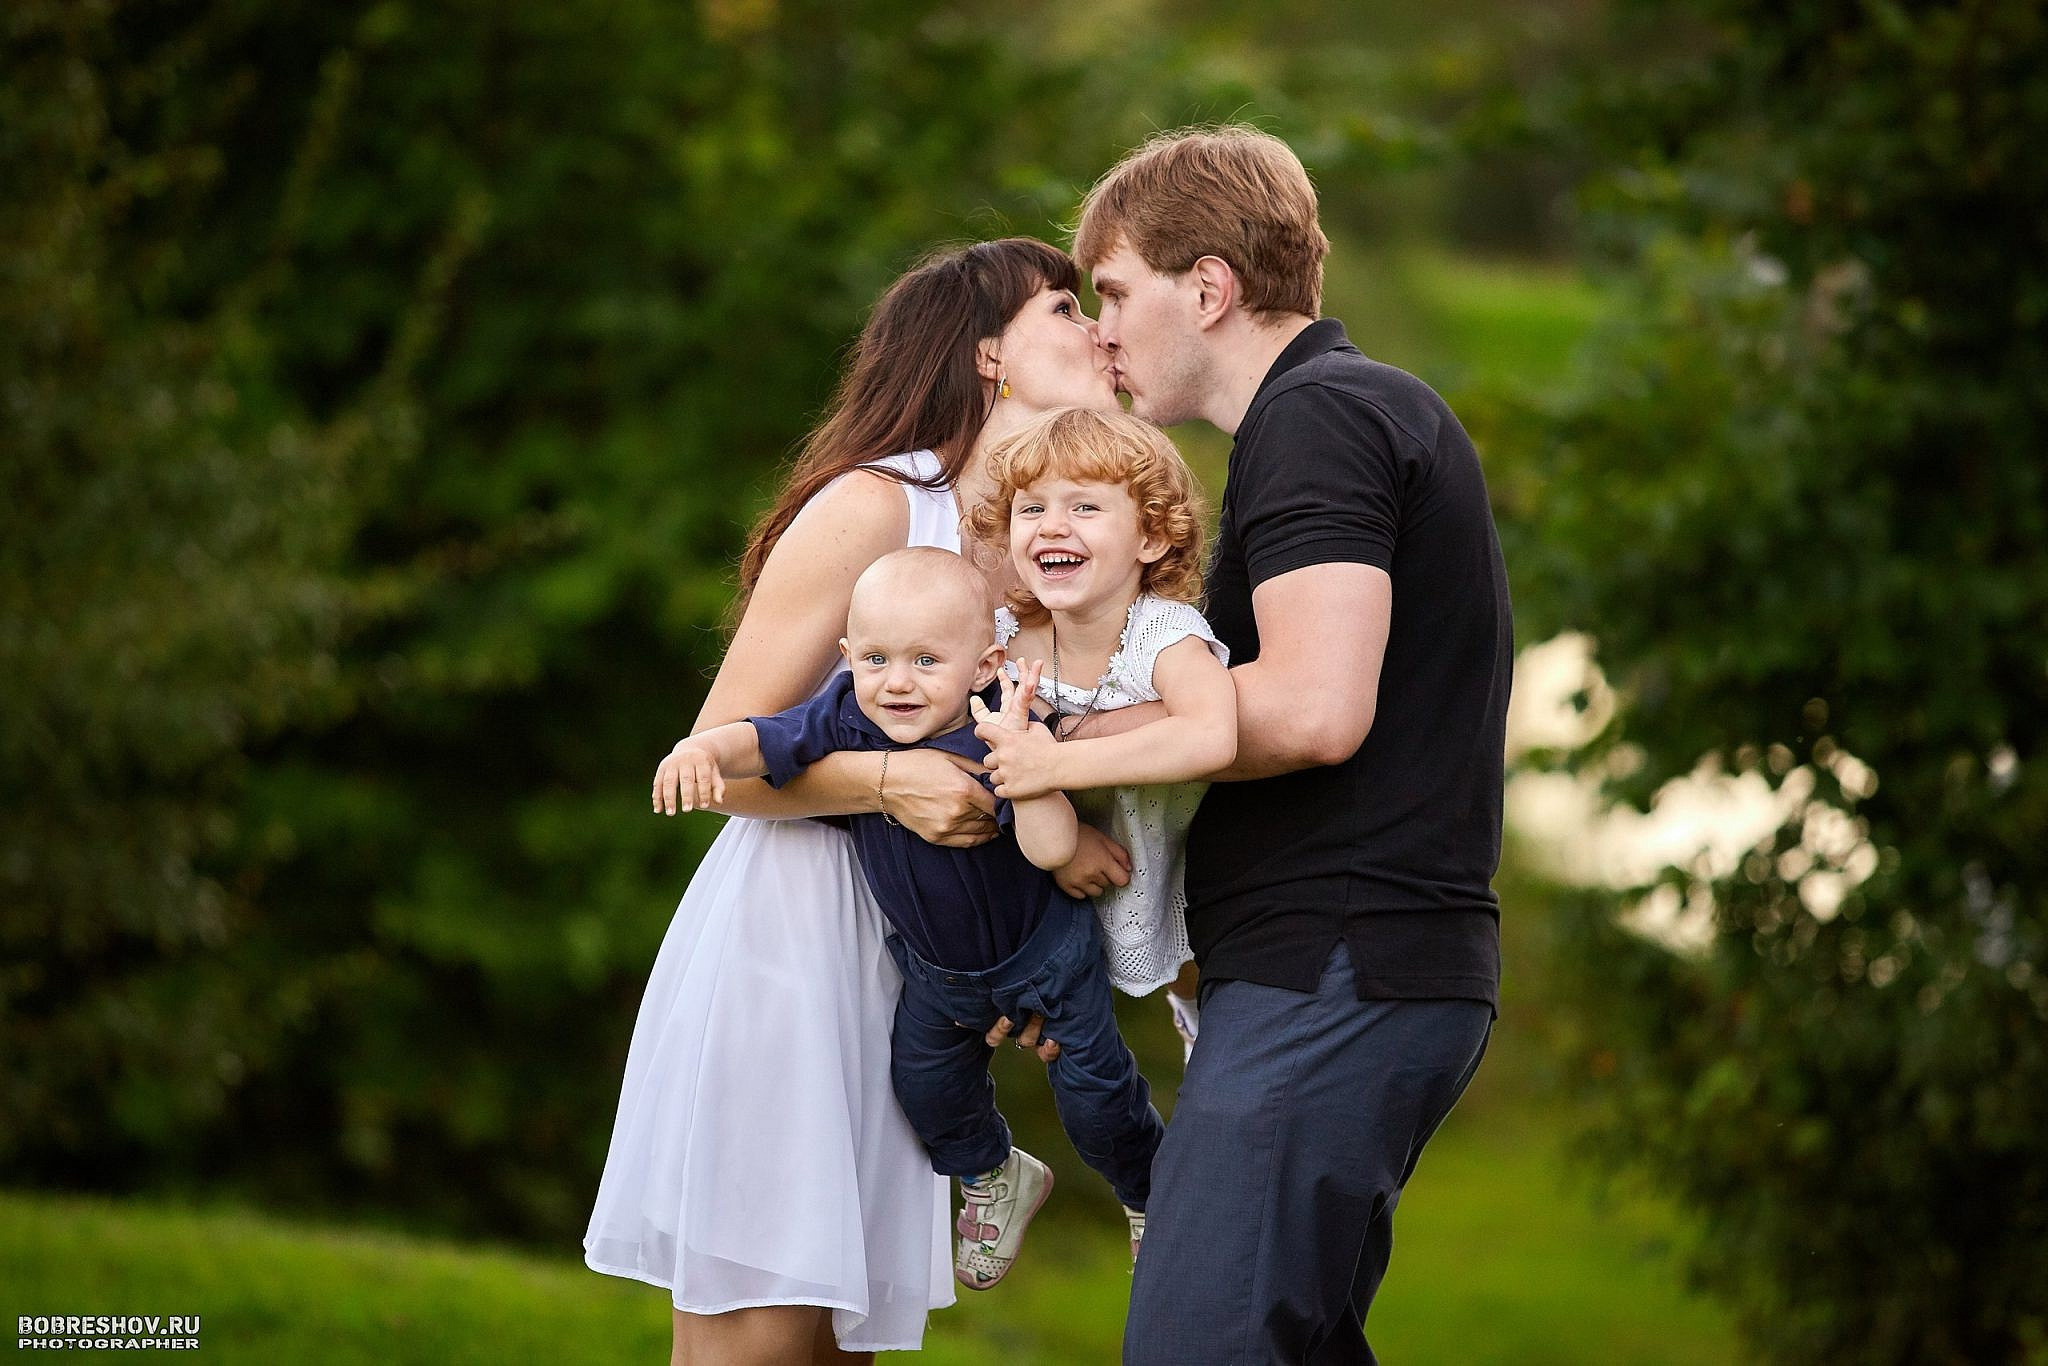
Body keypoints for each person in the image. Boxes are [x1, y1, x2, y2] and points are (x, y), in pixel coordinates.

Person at [584, 237, 1123, 1365]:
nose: (1097, 329)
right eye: (1064, 309)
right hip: (794, 945)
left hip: (916, 967)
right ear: (988, 355)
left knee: (838, 1347)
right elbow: (721, 760)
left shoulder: (1043, 544)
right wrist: (889, 781)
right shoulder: (876, 506)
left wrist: (1018, 956)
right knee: (753, 1342)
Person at [1067, 126, 1513, 1364]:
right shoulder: (1326, 415)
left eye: (1114, 292)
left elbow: (1316, 706)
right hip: (1340, 967)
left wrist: (1063, 746)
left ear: (1208, 287)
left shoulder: (1319, 415)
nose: (1100, 332)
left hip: (1339, 963)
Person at [658, 546, 1165, 1289]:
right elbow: (762, 737)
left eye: (927, 661)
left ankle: (1150, 1192)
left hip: (1043, 955)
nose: (897, 681)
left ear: (985, 664)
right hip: (936, 973)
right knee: (923, 1089)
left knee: (1094, 1096)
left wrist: (1028, 771)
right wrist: (701, 748)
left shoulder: (1005, 723)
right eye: (876, 659)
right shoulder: (844, 716)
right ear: (847, 658)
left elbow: (1053, 849)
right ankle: (994, 1173)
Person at [966, 406, 1236, 1065]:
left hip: (1173, 866)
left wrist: (1055, 765)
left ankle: (1200, 1026)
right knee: (1066, 1045)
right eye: (1032, 509)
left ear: (1151, 538)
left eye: (1085, 507)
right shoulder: (1002, 644)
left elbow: (1212, 735)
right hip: (1048, 872)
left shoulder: (1162, 634)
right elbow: (965, 756)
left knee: (1192, 963)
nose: (1052, 525)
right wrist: (1059, 837)